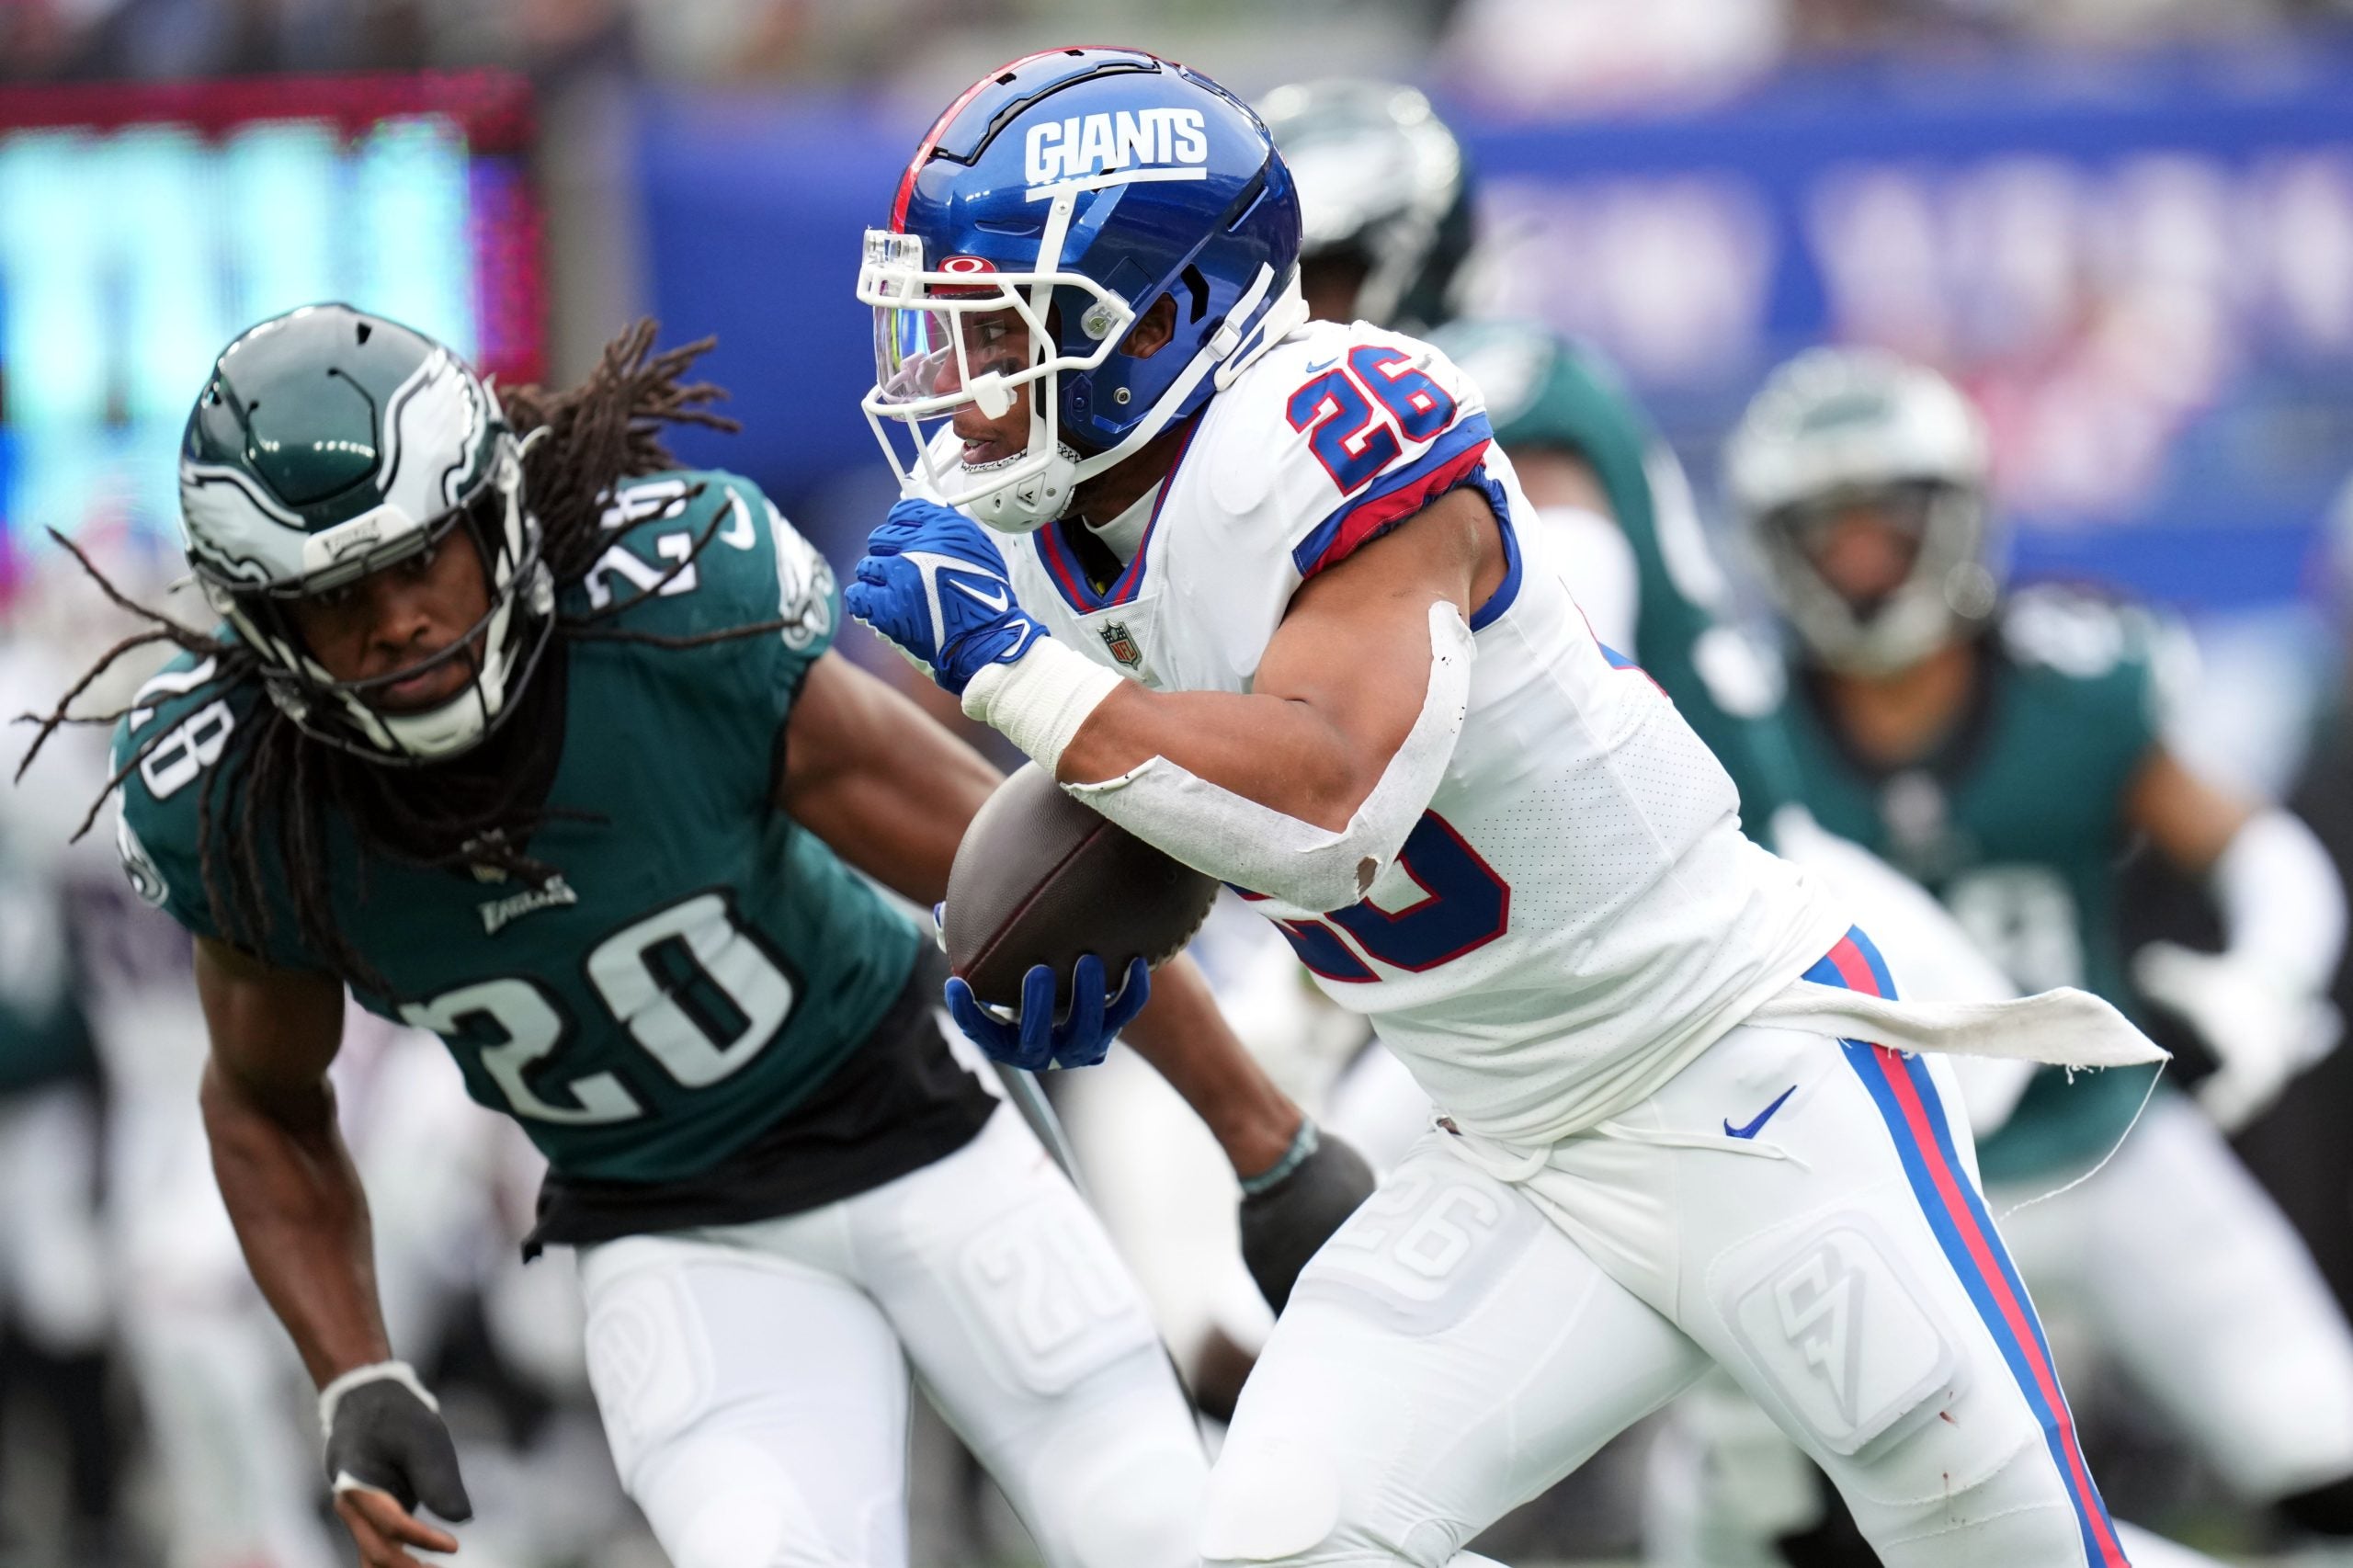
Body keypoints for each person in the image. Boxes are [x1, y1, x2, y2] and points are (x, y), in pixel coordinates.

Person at [849, 46, 2162, 1568]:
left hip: (1739, 1070)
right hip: (1507, 1139)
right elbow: (1144, 790)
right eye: (945, 329)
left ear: (1163, 315)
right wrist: (1081, 949)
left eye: (1002, 331)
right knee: (1281, 1546)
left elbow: (1333, 796)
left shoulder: (1338, 421)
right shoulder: (1029, 526)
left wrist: (1023, 683)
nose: (958, 383)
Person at [42, 303, 1353, 1568]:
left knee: (1157, 1532)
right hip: (665, 1224)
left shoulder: (669, 613)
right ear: (261, 627)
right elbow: (265, 1104)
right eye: (338, 596)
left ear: (493, 518)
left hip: (920, 1127)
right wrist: (355, 1374)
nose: (396, 620)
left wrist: (1263, 1140)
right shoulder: (238, 801)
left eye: (417, 559)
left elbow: (1017, 881)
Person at [1692, 345, 2353, 1558]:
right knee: (1765, 1531)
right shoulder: (1733, 720)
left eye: (1883, 525)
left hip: (2106, 1148)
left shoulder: (2075, 682)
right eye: (1823, 530)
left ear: (1955, 518)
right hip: (1878, 1200)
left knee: (2331, 1452)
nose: (1857, 557)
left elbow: (2263, 855)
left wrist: (2258, 990)